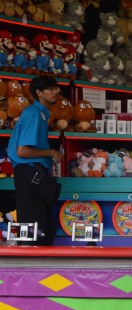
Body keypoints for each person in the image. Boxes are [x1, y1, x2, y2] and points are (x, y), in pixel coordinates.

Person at [7, 75, 63, 245]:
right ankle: (29, 270)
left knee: (42, 229)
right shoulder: (33, 114)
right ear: (39, 92)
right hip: (30, 174)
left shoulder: (42, 114)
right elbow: (22, 151)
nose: (56, 91)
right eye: (51, 89)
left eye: (56, 88)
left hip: (33, 174)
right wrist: (51, 152)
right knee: (34, 231)